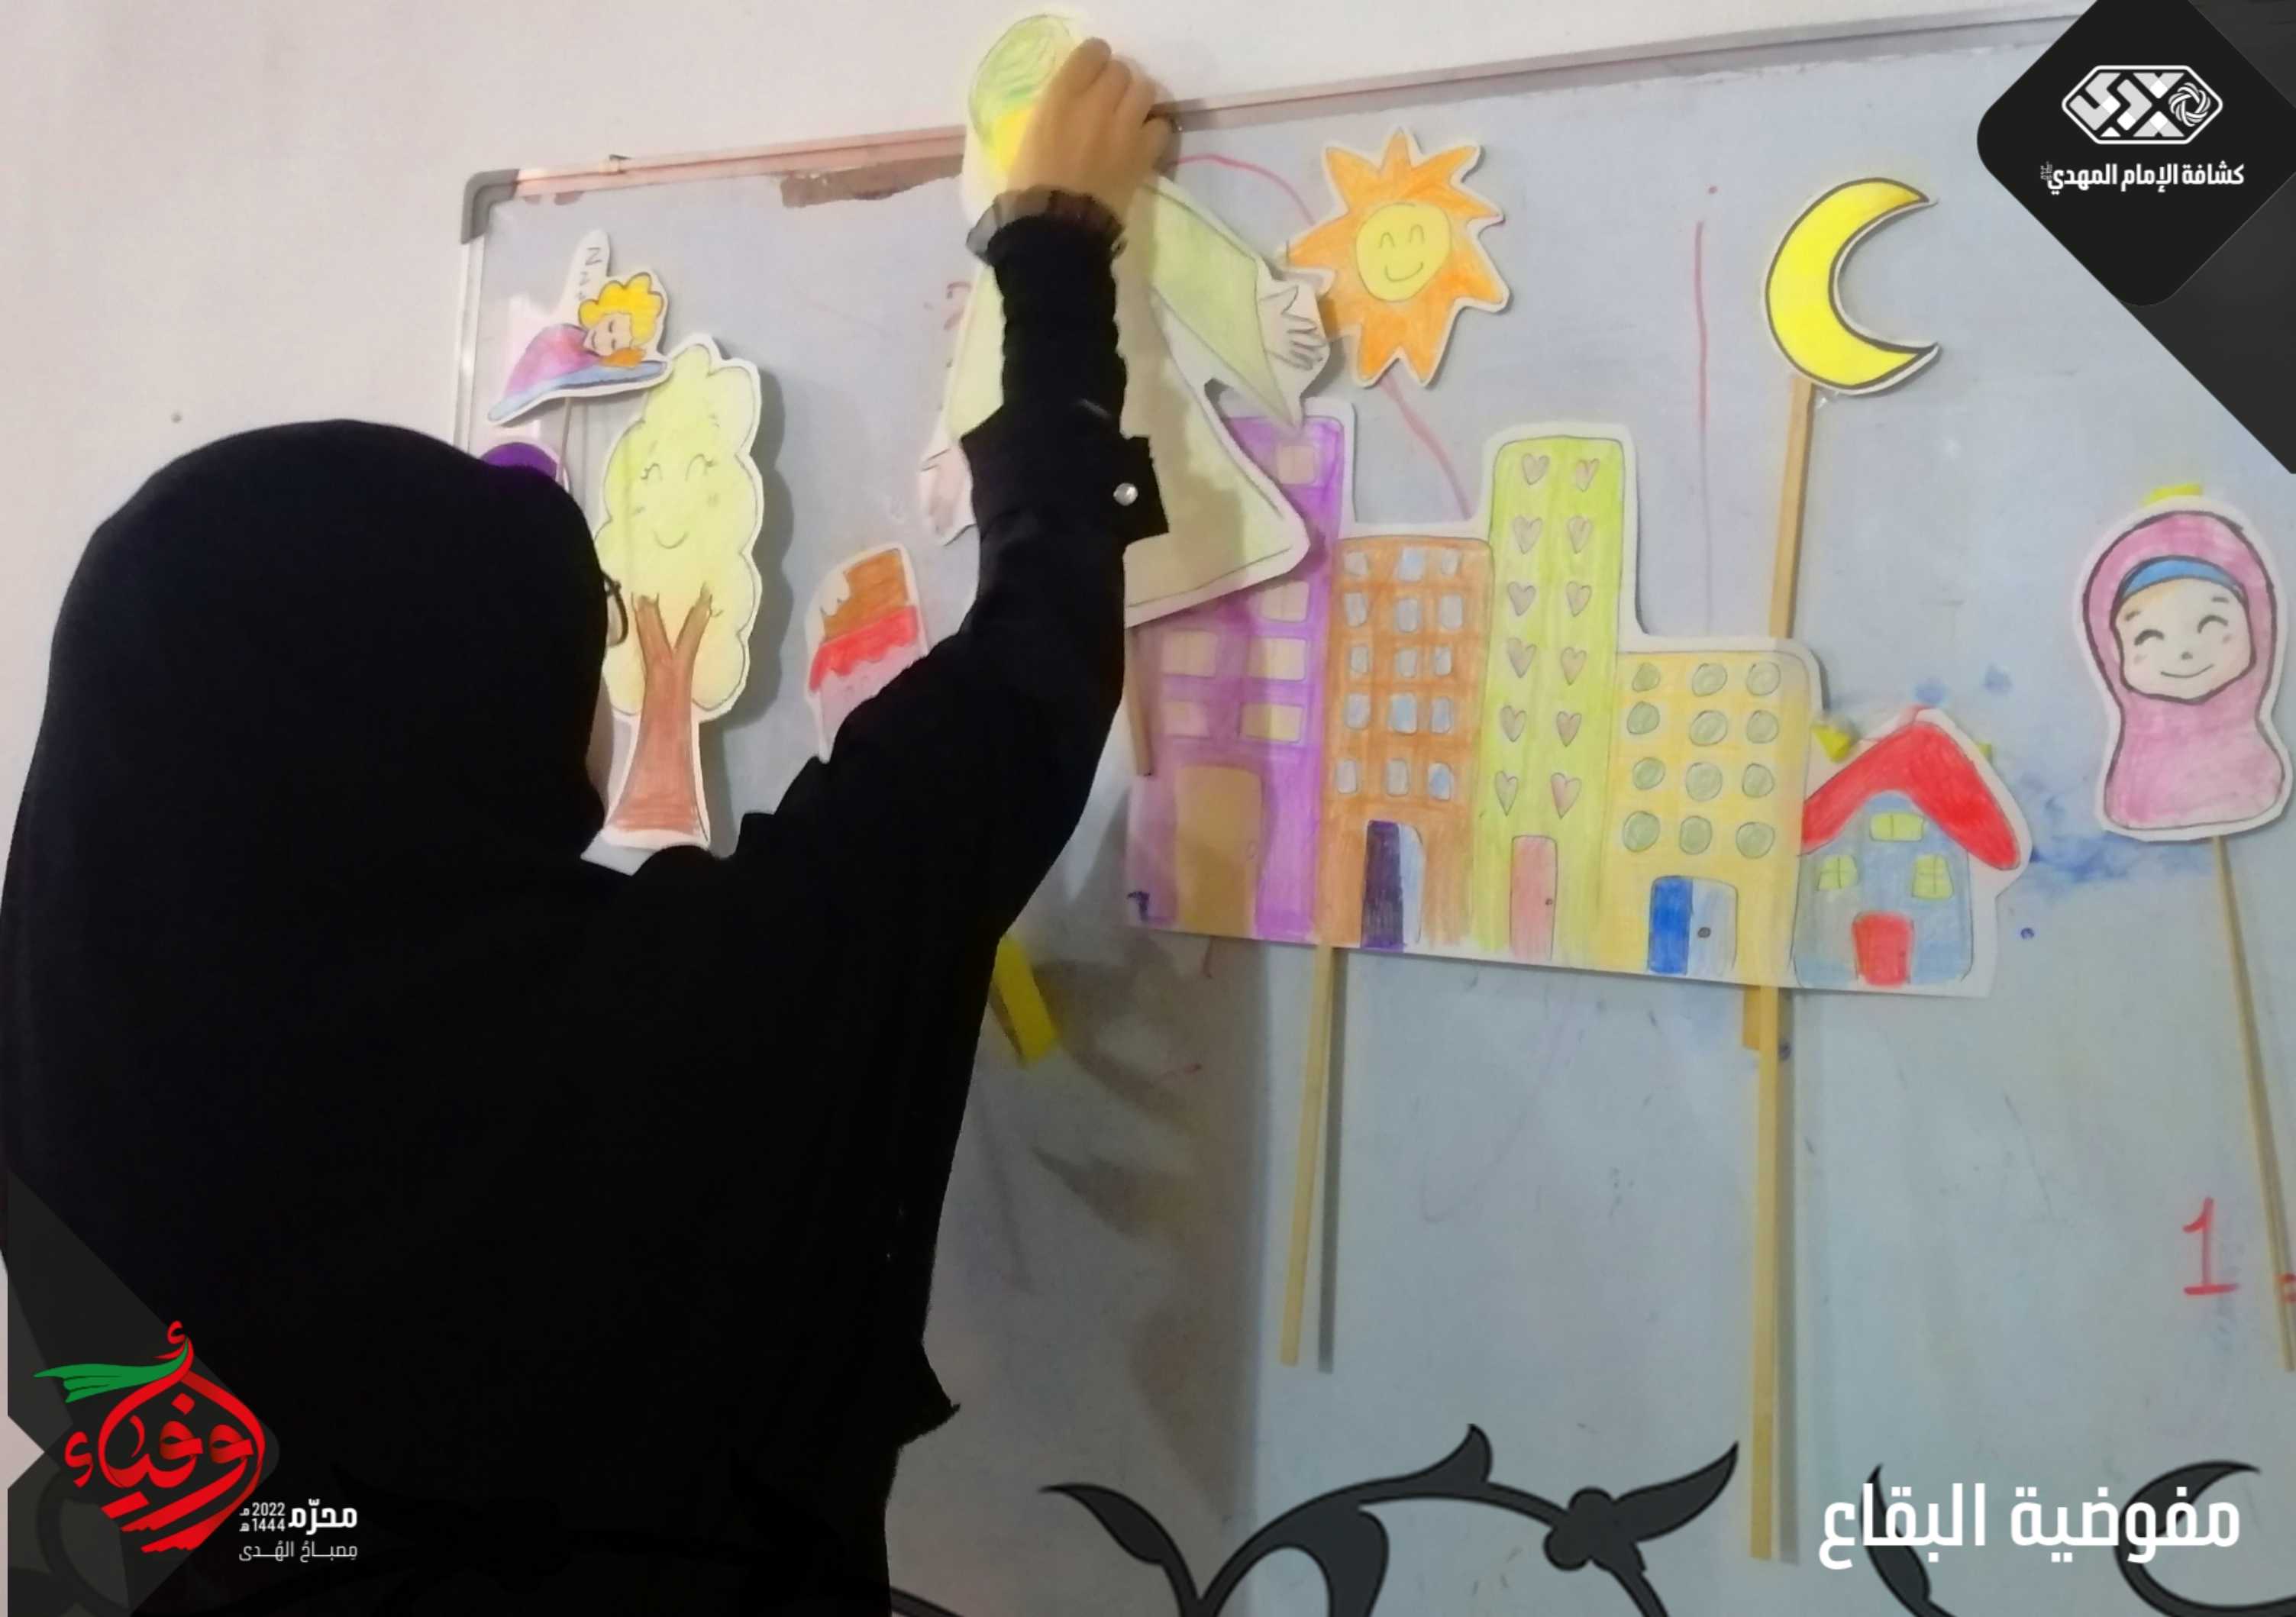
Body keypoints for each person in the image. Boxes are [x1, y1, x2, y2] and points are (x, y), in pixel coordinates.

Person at [0, 38, 1169, 1615]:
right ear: (453, 702)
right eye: (578, 636)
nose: (607, 682)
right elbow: (1021, 690)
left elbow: (226, 1516)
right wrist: (1054, 250)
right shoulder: (684, 1015)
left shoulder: (79, 1068)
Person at [2079, 502, 2290, 837]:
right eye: (2149, 636)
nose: (2185, 652)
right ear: (2111, 648)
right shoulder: (2139, 792)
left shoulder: (2257, 777)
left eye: (2212, 623)